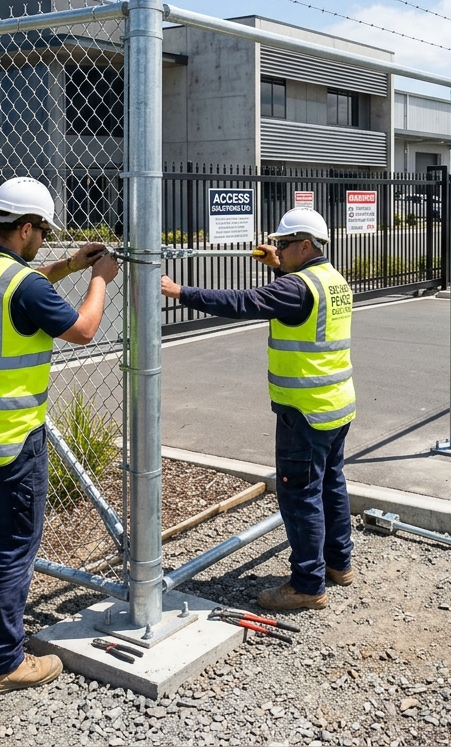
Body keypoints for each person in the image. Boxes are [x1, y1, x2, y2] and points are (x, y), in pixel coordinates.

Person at [0, 176, 119, 696]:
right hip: (12, 441)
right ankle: (2, 663)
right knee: (15, 549)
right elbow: (83, 329)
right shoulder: (23, 287)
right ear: (24, 228)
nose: (45, 238)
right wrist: (99, 278)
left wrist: (70, 264)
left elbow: (22, 288)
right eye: (43, 230)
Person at [161, 207, 355, 611]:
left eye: (284, 244)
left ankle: (306, 584)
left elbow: (245, 302)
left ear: (305, 245)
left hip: (304, 409)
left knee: (300, 494)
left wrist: (182, 293)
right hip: (336, 405)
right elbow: (294, 305)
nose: (277, 249)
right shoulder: (333, 280)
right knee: (331, 484)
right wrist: (281, 268)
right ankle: (339, 564)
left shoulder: (298, 287)